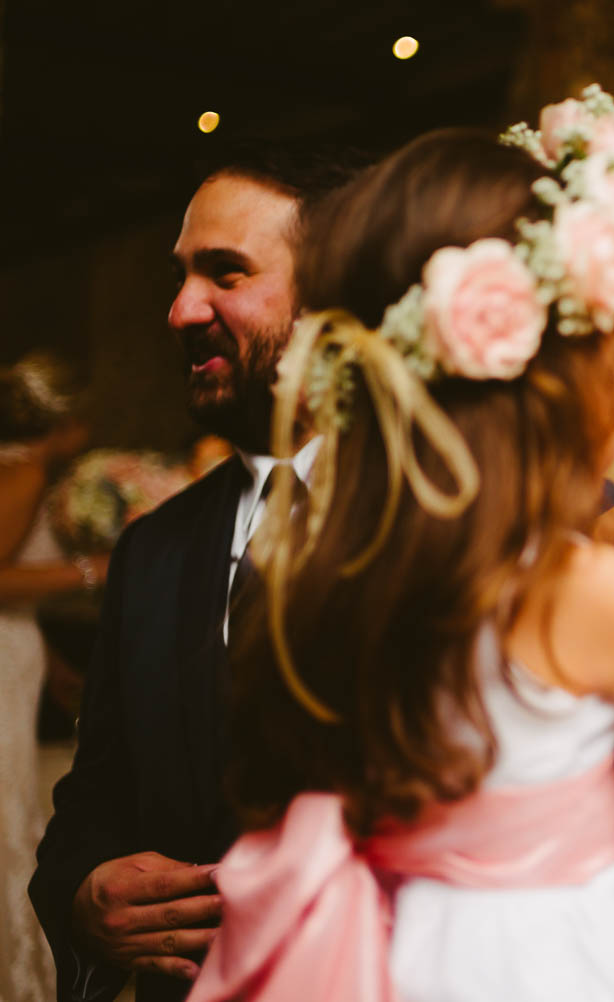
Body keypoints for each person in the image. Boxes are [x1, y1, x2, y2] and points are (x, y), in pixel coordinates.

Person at [186, 89, 614, 1002]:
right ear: (566, 381)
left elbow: (513, 626)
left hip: (406, 940)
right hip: (551, 952)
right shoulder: (576, 592)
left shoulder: (331, 554)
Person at [29, 148, 359, 1002]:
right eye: (181, 276)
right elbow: (94, 793)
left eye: (226, 273)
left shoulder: (452, 521)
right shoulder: (155, 547)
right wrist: (84, 891)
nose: (179, 311)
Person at [0, 352, 103, 1002]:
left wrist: (61, 667)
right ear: (64, 420)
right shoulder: (27, 467)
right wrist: (92, 569)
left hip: (19, 648)